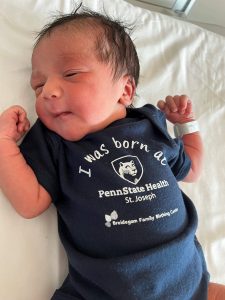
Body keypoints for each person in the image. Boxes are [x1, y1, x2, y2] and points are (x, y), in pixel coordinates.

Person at [0, 6, 224, 300]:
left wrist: (186, 126)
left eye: (71, 73)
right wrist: (4, 144)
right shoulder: (54, 141)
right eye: (38, 86)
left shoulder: (149, 124)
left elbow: (192, 169)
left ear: (125, 90)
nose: (48, 91)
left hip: (189, 283)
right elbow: (29, 203)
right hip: (103, 291)